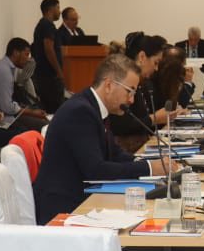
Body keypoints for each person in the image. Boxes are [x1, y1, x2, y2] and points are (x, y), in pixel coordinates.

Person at [33, 53, 173, 223]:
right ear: (108, 85)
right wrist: (149, 168)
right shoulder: (80, 111)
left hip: (82, 198)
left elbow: (114, 154)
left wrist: (148, 162)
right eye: (130, 91)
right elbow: (96, 170)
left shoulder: (92, 106)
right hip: (64, 208)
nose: (131, 100)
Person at [109, 33, 186, 143]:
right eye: (156, 62)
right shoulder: (122, 82)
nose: (156, 68)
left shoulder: (143, 83)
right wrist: (155, 118)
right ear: (142, 57)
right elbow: (120, 126)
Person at [0, 38, 47, 123]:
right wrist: (32, 112)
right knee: (43, 124)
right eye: (26, 54)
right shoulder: (4, 71)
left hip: (4, 114)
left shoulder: (6, 67)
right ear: (16, 53)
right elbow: (7, 107)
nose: (28, 59)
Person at [30, 0, 66, 113]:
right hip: (49, 77)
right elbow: (49, 49)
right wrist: (59, 72)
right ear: (51, 9)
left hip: (43, 76)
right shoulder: (47, 25)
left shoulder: (42, 25)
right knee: (55, 110)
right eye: (58, 8)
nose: (59, 11)